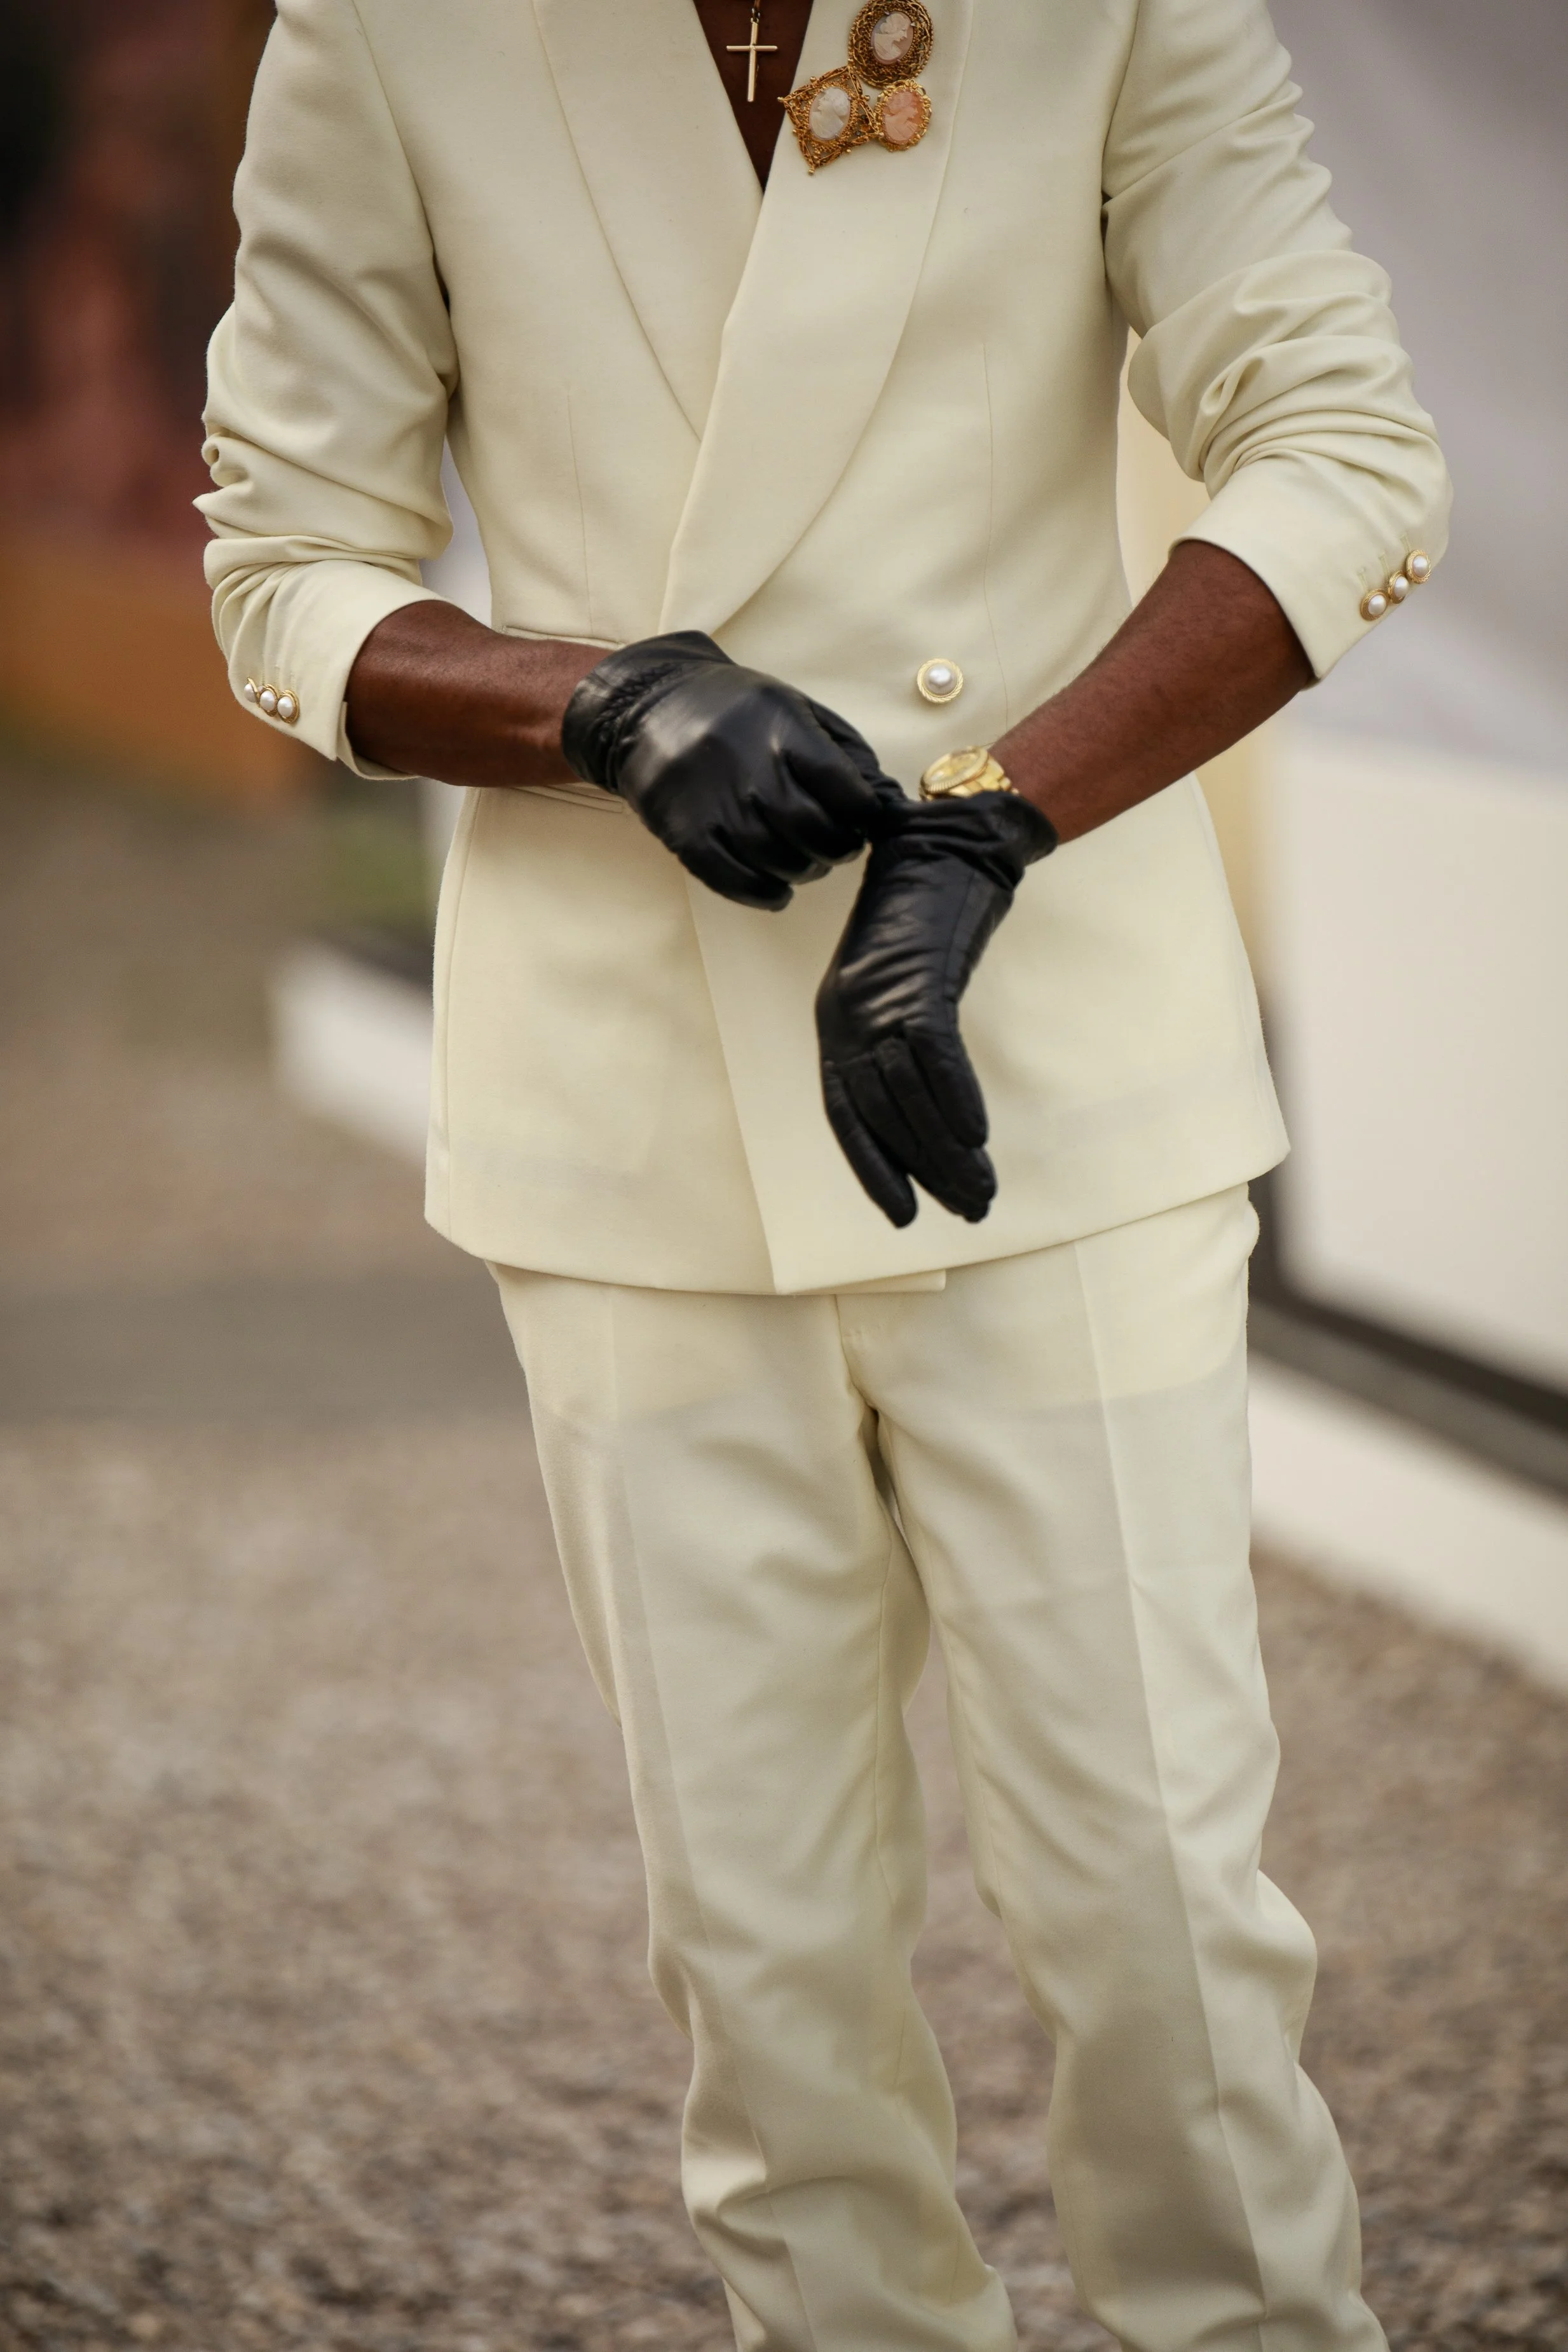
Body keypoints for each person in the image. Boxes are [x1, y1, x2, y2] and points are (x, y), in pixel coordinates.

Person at [201, 1, 1448, 2342]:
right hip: (630, 1126)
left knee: (1171, 1944)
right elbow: (285, 568)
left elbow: (1346, 451)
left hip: (1053, 1074)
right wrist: (597, 704)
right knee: (771, 2003)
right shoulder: (390, 25)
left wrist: (996, 820)